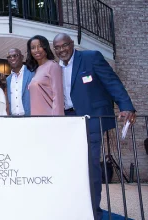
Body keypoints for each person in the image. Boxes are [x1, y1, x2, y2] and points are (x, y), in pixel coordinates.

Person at [53, 33, 136, 220]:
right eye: (57, 47)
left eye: (64, 45)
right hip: (67, 121)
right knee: (73, 167)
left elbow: (112, 82)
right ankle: (76, 207)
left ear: (72, 44)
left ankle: (93, 212)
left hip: (91, 119)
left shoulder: (91, 57)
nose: (61, 50)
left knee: (91, 166)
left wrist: (126, 106)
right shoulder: (55, 67)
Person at [26, 35, 64, 115]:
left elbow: (58, 96)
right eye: (33, 48)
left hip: (50, 119)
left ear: (45, 48)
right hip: (37, 118)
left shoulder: (53, 66)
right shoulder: (36, 69)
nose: (36, 50)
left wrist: (59, 120)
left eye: (40, 46)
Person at [6, 48, 34, 116]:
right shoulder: (8, 79)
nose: (12, 58)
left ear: (22, 57)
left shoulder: (32, 74)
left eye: (15, 55)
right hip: (13, 120)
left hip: (30, 118)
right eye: (9, 57)